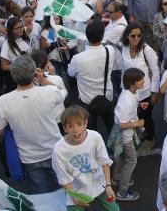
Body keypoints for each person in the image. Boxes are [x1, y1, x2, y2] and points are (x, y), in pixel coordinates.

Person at [0, 55, 64, 194]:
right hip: (55, 150)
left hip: (29, 157)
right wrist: (42, 79)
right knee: (63, 189)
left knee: (39, 194)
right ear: (34, 72)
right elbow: (61, 92)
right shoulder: (49, 92)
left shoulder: (3, 102)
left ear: (13, 76)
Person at [52, 105, 119, 210]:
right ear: (64, 128)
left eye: (79, 124)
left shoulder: (95, 137)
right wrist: (73, 197)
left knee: (114, 209)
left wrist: (108, 185)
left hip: (98, 183)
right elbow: (63, 177)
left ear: (85, 123)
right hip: (77, 190)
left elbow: (104, 161)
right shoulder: (59, 150)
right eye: (70, 126)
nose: (75, 129)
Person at [67, 20, 117, 132]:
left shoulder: (78, 59)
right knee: (111, 127)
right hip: (106, 96)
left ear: (86, 35)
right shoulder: (110, 50)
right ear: (102, 35)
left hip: (87, 100)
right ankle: (117, 146)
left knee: (90, 131)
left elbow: (70, 73)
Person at [120, 22, 160, 151]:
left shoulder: (146, 50)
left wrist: (154, 92)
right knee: (133, 114)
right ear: (127, 36)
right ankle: (142, 132)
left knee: (146, 116)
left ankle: (150, 139)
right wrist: (123, 89)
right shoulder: (124, 48)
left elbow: (155, 71)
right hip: (129, 91)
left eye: (139, 36)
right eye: (133, 36)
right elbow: (123, 70)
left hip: (144, 92)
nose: (136, 38)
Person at [110, 68, 145, 201]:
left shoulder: (132, 92)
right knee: (131, 161)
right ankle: (122, 193)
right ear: (132, 83)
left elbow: (130, 106)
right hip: (124, 136)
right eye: (140, 79)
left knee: (119, 157)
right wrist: (138, 123)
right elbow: (122, 124)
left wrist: (140, 104)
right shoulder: (126, 100)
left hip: (123, 134)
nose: (143, 81)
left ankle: (117, 179)